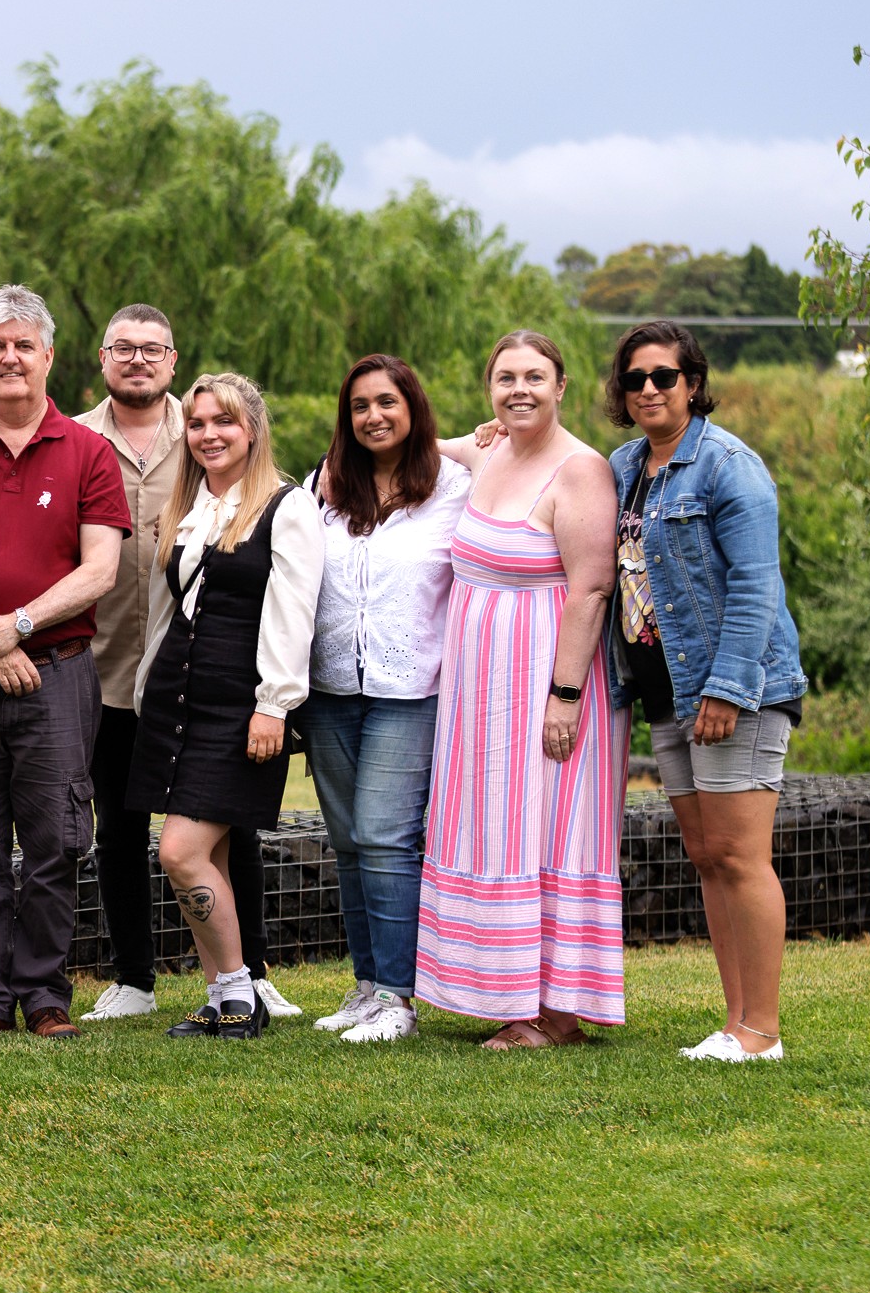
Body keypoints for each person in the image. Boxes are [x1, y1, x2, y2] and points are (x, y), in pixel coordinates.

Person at [0, 285, 130, 1041]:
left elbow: (100, 568)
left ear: (48, 357)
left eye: (23, 345)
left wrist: (18, 626)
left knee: (56, 840)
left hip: (59, 671)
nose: (10, 358)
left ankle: (44, 995)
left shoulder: (88, 451)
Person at [415, 330, 629, 1047]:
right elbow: (413, 447)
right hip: (481, 693)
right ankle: (507, 993)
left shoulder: (581, 470)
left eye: (535, 377)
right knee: (500, 829)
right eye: (506, 378)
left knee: (550, 827)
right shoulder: (488, 451)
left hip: (548, 683)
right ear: (489, 389)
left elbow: (592, 589)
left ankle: (556, 1014)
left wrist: (564, 696)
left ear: (561, 386)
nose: (520, 390)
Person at [604, 320, 806, 1063]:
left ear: (692, 383)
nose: (649, 389)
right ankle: (735, 1021)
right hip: (667, 690)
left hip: (733, 690)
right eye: (635, 379)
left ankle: (761, 1030)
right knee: (707, 853)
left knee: (740, 856)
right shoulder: (625, 466)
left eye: (664, 376)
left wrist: (727, 688)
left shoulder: (728, 465)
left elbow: (756, 586)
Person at [129, 373, 325, 1041]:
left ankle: (242, 989)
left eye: (225, 422)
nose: (209, 434)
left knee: (180, 852)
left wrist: (275, 704)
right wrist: (145, 689)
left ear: (252, 430)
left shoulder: (286, 506)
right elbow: (165, 611)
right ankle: (220, 996)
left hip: (241, 705)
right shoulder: (185, 508)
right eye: (198, 422)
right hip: (176, 699)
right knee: (197, 858)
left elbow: (294, 615)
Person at [301, 356, 490, 1043]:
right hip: (329, 689)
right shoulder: (326, 486)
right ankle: (366, 986)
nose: (373, 416)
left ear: (413, 406)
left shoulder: (455, 486)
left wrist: (469, 439)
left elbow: (508, 454)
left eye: (387, 402)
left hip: (409, 689)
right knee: (350, 843)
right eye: (359, 406)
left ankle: (397, 998)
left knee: (385, 837)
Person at [73, 305, 187, 1023]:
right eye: (124, 348)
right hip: (102, 664)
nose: (138, 359)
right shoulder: (72, 440)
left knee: (220, 823)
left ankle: (252, 971)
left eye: (152, 349)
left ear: (172, 360)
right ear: (103, 358)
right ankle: (133, 980)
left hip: (190, 666)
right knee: (117, 828)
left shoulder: (208, 429)